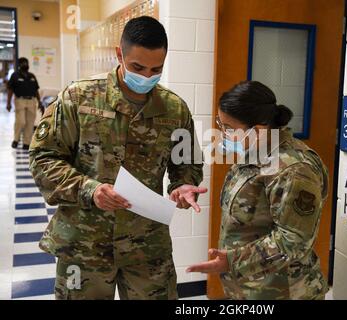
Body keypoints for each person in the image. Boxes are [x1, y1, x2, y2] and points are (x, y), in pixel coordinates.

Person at [29, 16, 205, 300]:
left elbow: (186, 164)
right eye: (137, 67)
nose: (146, 77)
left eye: (156, 69)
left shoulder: (175, 110)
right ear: (119, 54)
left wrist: (182, 187)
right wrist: (91, 190)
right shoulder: (79, 98)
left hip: (147, 247)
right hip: (85, 245)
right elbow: (43, 157)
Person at [187, 81, 329, 300]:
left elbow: (294, 240)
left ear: (259, 130)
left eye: (229, 128)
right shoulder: (256, 152)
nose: (222, 133)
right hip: (250, 288)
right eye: (220, 124)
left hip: (282, 291)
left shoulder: (294, 169)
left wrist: (233, 261)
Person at [7, 57, 44, 150]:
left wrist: (39, 102)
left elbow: (36, 90)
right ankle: (16, 139)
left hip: (32, 101)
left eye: (26, 63)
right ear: (19, 65)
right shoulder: (15, 75)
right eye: (23, 63)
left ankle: (26, 143)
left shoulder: (32, 76)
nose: (25, 65)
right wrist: (8, 103)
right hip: (20, 101)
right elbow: (10, 90)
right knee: (21, 121)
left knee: (30, 123)